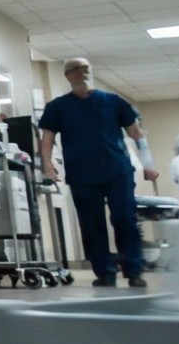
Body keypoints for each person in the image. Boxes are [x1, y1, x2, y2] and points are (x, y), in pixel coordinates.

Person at [37, 57, 154, 287]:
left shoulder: (113, 102)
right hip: (82, 174)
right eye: (77, 70)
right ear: (68, 76)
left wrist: (148, 164)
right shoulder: (58, 107)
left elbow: (136, 134)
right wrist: (47, 164)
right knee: (92, 224)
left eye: (86, 69)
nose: (83, 73)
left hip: (117, 171)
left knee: (124, 219)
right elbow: (47, 138)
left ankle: (134, 269)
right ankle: (105, 272)